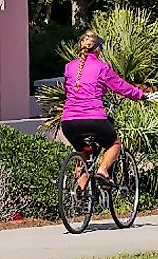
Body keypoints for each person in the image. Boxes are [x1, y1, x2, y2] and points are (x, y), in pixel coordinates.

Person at [56, 29, 148, 190]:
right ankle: (103, 171)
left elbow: (68, 91)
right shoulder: (101, 67)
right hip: (93, 119)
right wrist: (141, 96)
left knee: (84, 150)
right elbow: (120, 86)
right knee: (114, 144)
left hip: (69, 122)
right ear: (97, 49)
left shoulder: (70, 67)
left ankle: (81, 189)